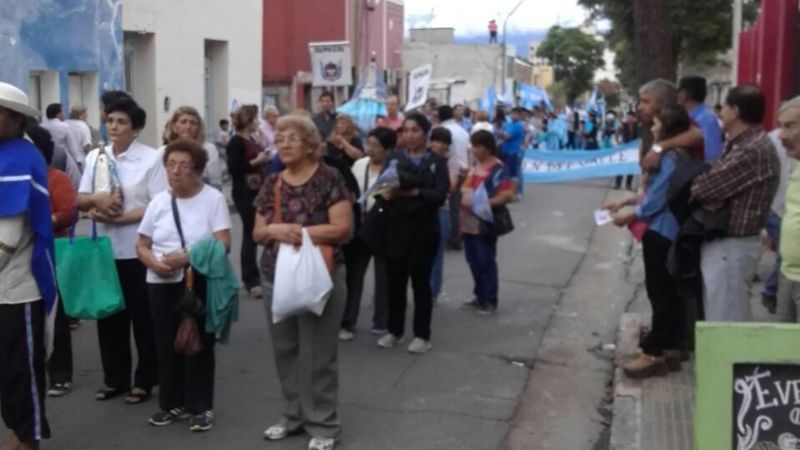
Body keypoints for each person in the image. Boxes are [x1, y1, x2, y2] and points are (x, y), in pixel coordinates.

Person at [253, 114, 353, 450]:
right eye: (280, 139)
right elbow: (257, 232)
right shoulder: (272, 183)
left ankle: (323, 424)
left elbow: (342, 229)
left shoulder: (330, 178)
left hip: (319, 274)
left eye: (292, 138)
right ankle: (292, 416)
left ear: (311, 145)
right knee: (285, 350)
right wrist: (273, 231)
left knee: (318, 353)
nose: (284, 144)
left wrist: (296, 233)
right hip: (275, 275)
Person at [136, 138, 233, 433]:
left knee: (198, 344)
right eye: (170, 164)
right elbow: (142, 244)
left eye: (183, 165)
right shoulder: (159, 202)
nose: (175, 171)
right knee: (166, 343)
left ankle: (200, 406)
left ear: (199, 170)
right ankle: (171, 403)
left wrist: (187, 258)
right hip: (160, 281)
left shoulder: (212, 199)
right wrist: (153, 263)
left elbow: (223, 243)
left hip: (196, 279)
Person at [77, 96, 166, 405]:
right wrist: (96, 205)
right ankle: (115, 378)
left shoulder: (151, 159)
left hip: (136, 248)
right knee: (109, 315)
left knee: (143, 317)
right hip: (104, 247)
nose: (113, 126)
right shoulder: (96, 157)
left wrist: (121, 218)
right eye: (110, 120)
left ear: (136, 128)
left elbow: (158, 204)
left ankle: (144, 379)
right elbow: (81, 197)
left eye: (121, 122)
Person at [606, 105, 689, 378]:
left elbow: (657, 197)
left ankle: (653, 353)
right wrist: (627, 201)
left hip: (662, 232)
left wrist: (631, 213)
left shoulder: (669, 158)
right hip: (668, 230)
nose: (652, 128)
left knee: (660, 293)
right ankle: (670, 347)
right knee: (667, 291)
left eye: (656, 123)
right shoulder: (676, 154)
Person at [691, 85, 780, 322]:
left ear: (735, 111)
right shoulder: (740, 144)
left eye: (725, 107)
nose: (720, 113)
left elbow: (701, 188)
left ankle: (727, 361)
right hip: (726, 245)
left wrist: (706, 188)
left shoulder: (752, 150)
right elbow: (711, 178)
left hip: (732, 247)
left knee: (725, 320)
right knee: (720, 314)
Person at [0, 82, 57, 450]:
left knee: (21, 373)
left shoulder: (20, 157)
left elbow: (6, 239)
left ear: (13, 118)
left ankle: (27, 439)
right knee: (9, 373)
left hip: (18, 286)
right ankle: (18, 434)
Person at [374, 113, 449, 354]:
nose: (409, 135)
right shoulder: (394, 159)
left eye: (415, 130)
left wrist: (415, 192)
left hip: (424, 230)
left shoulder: (437, 161)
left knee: (421, 283)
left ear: (425, 133)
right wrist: (388, 193)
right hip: (396, 229)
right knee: (395, 282)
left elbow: (439, 196)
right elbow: (381, 190)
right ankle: (394, 330)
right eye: (405, 130)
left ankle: (422, 334)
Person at [25, 124, 77, 398]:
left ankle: (60, 374)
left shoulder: (55, 178)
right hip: (19, 259)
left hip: (50, 254)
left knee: (54, 316)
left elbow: (69, 211)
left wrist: (40, 223)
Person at [339, 127, 396, 339]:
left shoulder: (394, 168)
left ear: (388, 149)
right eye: (368, 143)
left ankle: (381, 320)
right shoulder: (360, 164)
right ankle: (347, 321)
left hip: (384, 229)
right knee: (354, 277)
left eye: (376, 146)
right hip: (360, 228)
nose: (370, 149)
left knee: (384, 277)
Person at [459, 130, 514, 315]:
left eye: (479, 146)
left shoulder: (498, 168)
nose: (475, 150)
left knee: (485, 260)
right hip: (467, 221)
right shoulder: (475, 165)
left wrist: (482, 203)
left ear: (489, 147)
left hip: (485, 221)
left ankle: (490, 300)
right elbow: (465, 186)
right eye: (473, 146)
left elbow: (507, 194)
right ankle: (479, 295)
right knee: (472, 260)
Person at [226, 106, 269, 298]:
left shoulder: (252, 139)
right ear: (248, 120)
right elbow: (234, 168)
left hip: (258, 190)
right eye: (255, 119)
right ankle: (250, 279)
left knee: (258, 232)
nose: (258, 122)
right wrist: (256, 161)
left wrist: (261, 148)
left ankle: (257, 275)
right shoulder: (236, 142)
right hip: (245, 192)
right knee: (251, 233)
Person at [775, 96, 800, 323]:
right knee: (783, 354)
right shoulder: (795, 162)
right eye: (780, 126)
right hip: (787, 272)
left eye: (789, 126)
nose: (781, 135)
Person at [761, 129, 791, 314]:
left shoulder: (772, 137)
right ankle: (771, 291)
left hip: (778, 206)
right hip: (777, 206)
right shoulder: (774, 138)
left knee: (785, 251)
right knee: (787, 252)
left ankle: (771, 291)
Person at [428, 127, 459, 303]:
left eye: (444, 143)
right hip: (423, 210)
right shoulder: (424, 159)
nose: (440, 145)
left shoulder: (451, 162)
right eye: (437, 141)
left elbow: (451, 186)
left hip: (442, 211)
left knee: (437, 254)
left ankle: (433, 291)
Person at [161, 106, 224, 191]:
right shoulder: (164, 151)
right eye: (183, 122)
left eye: (193, 123)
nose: (188, 126)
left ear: (198, 127)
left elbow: (215, 182)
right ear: (174, 127)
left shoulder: (208, 149)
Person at [439, 105, 470, 250]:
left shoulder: (443, 132)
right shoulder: (462, 130)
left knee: (449, 206)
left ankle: (453, 236)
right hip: (463, 171)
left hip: (450, 171)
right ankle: (457, 235)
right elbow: (470, 151)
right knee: (457, 205)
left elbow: (445, 153)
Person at [677, 76, 723, 162]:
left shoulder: (706, 118)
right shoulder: (690, 116)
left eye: (679, 92)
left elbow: (712, 155)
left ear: (684, 94)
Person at [40, 103, 82, 186]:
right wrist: (78, 161)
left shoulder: (41, 126)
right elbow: (72, 146)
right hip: (63, 159)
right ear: (58, 114)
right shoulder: (64, 126)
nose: (64, 114)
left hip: (45, 159)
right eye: (62, 112)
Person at [496, 107, 526, 197]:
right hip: (505, 151)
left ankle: (517, 192)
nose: (513, 116)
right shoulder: (508, 124)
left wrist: (499, 133)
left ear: (520, 116)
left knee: (514, 172)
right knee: (507, 172)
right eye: (512, 114)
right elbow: (503, 137)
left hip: (513, 152)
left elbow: (507, 137)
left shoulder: (518, 126)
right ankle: (510, 190)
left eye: (516, 114)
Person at [614, 111, 639, 190]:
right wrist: (618, 142)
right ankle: (618, 183)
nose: (628, 119)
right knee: (621, 166)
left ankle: (628, 184)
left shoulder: (637, 126)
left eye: (630, 117)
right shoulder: (623, 125)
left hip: (633, 150)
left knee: (631, 167)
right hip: (624, 148)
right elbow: (617, 134)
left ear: (634, 118)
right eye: (627, 117)